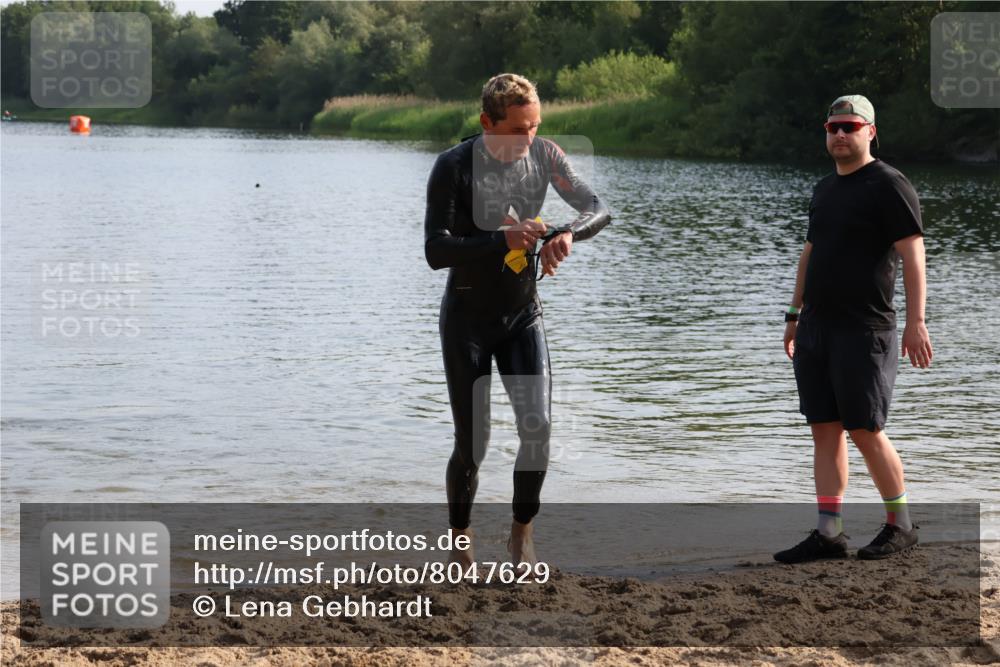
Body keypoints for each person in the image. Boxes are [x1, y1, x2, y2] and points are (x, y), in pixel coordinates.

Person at [424, 73, 610, 568]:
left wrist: (566, 232)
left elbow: (598, 208)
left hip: (522, 316)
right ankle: (460, 540)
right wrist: (498, 241)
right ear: (488, 122)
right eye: (519, 130)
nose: (530, 139)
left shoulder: (547, 156)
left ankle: (521, 531)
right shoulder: (453, 166)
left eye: (536, 127)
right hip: (467, 321)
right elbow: (435, 249)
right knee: (473, 444)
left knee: (539, 428)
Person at [775, 94, 933, 564]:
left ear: (870, 132)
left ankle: (900, 525)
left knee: (866, 428)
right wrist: (793, 315)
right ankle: (829, 532)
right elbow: (810, 253)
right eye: (832, 127)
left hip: (866, 328)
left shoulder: (889, 184)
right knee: (824, 428)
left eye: (850, 126)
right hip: (817, 327)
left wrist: (916, 321)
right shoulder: (824, 188)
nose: (840, 134)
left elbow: (913, 254)